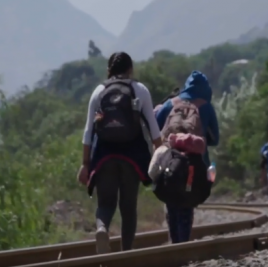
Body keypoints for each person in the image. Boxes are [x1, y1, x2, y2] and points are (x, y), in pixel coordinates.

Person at [77, 52, 163, 254]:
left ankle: (101, 229)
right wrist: (160, 155)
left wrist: (85, 164)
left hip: (104, 157)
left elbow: (89, 131)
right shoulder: (139, 90)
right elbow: (154, 129)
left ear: (109, 70)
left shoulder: (99, 91)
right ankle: (126, 252)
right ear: (130, 69)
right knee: (128, 207)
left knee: (105, 203)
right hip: (132, 157)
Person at [156, 70, 219, 244]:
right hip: (194, 165)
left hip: (169, 161)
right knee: (187, 202)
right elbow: (215, 139)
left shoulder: (170, 103)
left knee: (171, 202)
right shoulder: (206, 106)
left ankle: (174, 241)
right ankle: (183, 245)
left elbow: (155, 128)